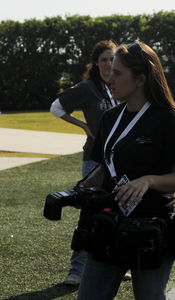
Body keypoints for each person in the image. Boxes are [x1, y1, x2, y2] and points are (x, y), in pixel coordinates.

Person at [68, 42, 175, 300]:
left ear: (141, 79)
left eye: (117, 74)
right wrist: (84, 185)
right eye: (109, 73)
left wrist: (147, 180)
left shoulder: (169, 119)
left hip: (150, 231)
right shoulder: (111, 118)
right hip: (107, 227)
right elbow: (105, 164)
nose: (109, 80)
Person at [50, 40, 127, 286]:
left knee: (119, 211)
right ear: (96, 62)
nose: (107, 64)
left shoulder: (123, 84)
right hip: (95, 158)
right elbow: (56, 107)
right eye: (103, 59)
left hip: (123, 159)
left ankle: (116, 263)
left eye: (111, 59)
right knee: (90, 212)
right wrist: (83, 125)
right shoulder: (88, 88)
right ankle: (76, 271)